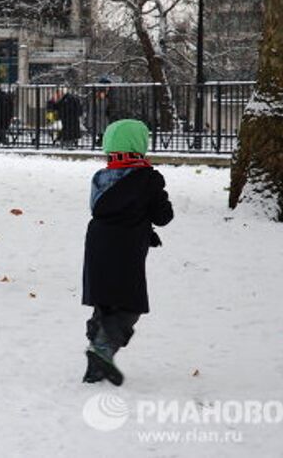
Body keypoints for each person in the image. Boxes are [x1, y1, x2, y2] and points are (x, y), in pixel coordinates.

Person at [81, 119, 173, 385]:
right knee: (129, 304)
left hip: (97, 244)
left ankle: (98, 350)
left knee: (105, 299)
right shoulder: (149, 179)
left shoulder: (100, 177)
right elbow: (163, 215)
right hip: (128, 249)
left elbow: (106, 210)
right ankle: (102, 348)